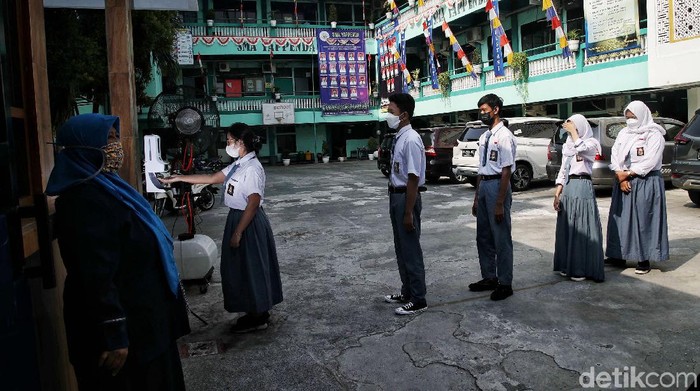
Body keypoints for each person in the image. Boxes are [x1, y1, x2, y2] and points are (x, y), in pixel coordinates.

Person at [47, 114, 190, 390]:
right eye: (109, 138)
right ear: (86, 147)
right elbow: (94, 274)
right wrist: (114, 332)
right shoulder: (83, 201)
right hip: (125, 336)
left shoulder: (113, 189)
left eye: (116, 137)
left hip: (145, 324)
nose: (117, 145)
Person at [161, 123, 283, 331]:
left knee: (251, 266)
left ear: (241, 142)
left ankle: (259, 314)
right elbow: (211, 178)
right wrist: (179, 178)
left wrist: (238, 232)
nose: (227, 144)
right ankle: (253, 310)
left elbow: (253, 202)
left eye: (229, 141)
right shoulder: (239, 164)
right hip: (238, 218)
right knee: (240, 268)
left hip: (247, 221)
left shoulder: (252, 168)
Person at [606, 101, 669, 274]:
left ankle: (644, 258)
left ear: (642, 115)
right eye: (627, 117)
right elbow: (615, 154)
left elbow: (651, 160)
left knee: (643, 220)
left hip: (646, 180)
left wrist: (629, 174)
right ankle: (618, 255)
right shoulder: (624, 133)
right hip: (624, 179)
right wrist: (620, 175)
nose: (630, 120)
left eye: (633, 117)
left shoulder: (654, 135)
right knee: (620, 219)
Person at [382, 93, 428, 315]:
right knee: (401, 248)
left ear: (404, 114)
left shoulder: (411, 139)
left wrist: (408, 211)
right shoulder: (399, 136)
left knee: (410, 249)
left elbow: (413, 177)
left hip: (405, 197)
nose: (388, 115)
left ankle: (419, 299)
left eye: (391, 111)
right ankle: (407, 291)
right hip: (396, 195)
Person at [469, 94, 517, 301]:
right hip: (484, 184)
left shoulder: (505, 136)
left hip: (498, 184)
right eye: (480, 110)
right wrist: (476, 197)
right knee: (484, 236)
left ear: (496, 110)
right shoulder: (484, 136)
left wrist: (499, 202)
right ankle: (489, 276)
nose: (482, 114)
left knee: (501, 237)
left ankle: (505, 283)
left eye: (484, 110)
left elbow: (506, 170)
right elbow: (481, 169)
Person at [552, 114, 605, 282]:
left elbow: (581, 148)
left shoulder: (591, 143)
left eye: (573, 125)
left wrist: (574, 132)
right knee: (568, 227)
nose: (569, 128)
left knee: (581, 228)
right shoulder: (568, 145)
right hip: (569, 186)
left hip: (582, 186)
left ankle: (581, 268)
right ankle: (567, 265)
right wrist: (558, 191)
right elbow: (563, 169)